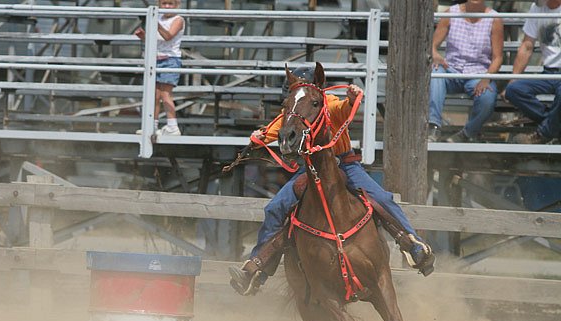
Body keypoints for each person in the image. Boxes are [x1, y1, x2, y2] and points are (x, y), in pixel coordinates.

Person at [228, 66, 435, 296]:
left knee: (382, 199)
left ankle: (413, 243)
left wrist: (351, 100)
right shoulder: (294, 111)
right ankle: (257, 269)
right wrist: (260, 137)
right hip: (311, 168)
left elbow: (342, 109)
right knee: (276, 208)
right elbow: (278, 127)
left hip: (344, 164)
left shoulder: (328, 103)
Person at [428, 0, 504, 143]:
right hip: (452, 70)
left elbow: (497, 57)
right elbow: (431, 45)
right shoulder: (451, 13)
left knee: (488, 97)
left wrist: (486, 78)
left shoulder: (494, 19)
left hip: (478, 73)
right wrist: (435, 55)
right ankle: (433, 125)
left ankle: (467, 133)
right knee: (436, 72)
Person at [504, 0, 561, 144]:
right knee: (514, 90)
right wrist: (513, 79)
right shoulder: (536, 8)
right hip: (548, 73)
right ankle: (553, 126)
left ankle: (542, 134)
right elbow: (527, 46)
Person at [134, 0, 185, 136]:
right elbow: (155, 41)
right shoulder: (158, 18)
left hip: (170, 60)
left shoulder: (178, 19)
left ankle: (172, 126)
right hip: (156, 59)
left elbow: (168, 36)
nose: (167, 7)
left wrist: (155, 24)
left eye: (170, 4)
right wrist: (143, 36)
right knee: (154, 95)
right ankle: (152, 125)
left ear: (177, 5)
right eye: (164, 3)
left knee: (165, 94)